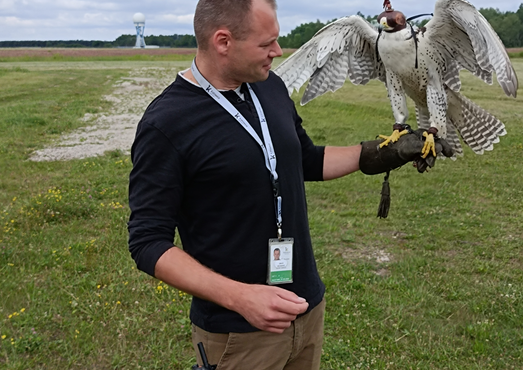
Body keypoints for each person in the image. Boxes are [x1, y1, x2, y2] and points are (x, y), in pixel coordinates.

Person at [127, 0, 451, 369]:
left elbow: (305, 160)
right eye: (267, 44)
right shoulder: (167, 123)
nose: (278, 52)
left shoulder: (270, 87)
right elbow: (147, 242)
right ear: (223, 41)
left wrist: (381, 154)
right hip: (239, 334)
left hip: (307, 312)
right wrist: (240, 298)